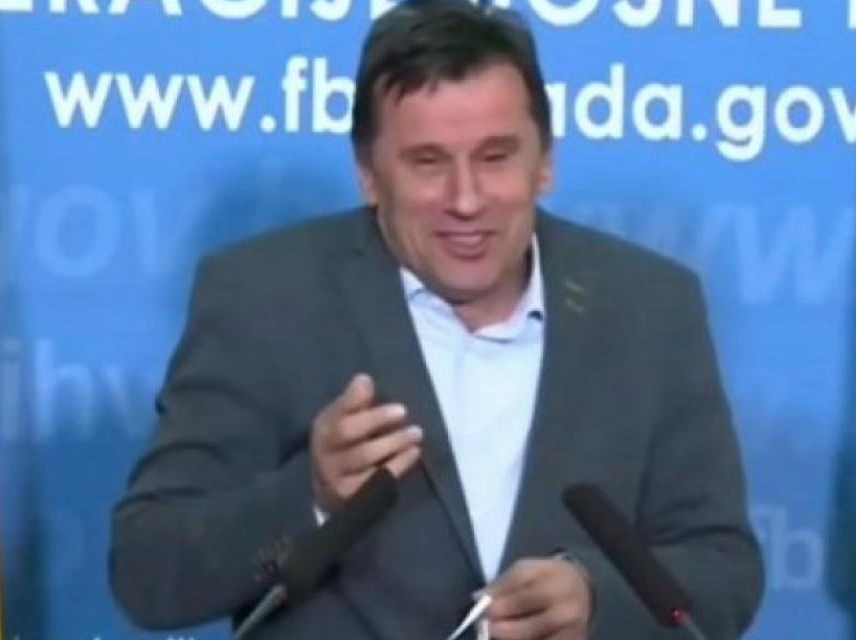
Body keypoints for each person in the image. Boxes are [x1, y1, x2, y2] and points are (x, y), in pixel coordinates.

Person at [109, 1, 764, 638]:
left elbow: (723, 570)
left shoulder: (652, 307)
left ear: (545, 162)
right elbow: (146, 569)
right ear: (369, 175)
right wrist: (309, 496)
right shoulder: (263, 299)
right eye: (428, 163)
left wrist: (597, 599)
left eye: (495, 157)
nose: (466, 199)